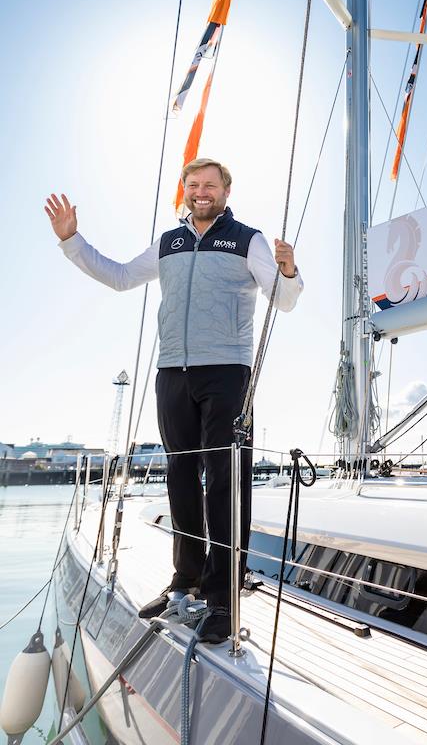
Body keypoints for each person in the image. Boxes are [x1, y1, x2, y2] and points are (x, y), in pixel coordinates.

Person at [45, 158, 303, 644]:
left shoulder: (248, 239)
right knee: (181, 480)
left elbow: (284, 300)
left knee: (225, 483)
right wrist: (71, 241)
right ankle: (185, 582)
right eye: (193, 185)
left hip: (226, 372)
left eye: (210, 184)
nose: (201, 191)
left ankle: (224, 598)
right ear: (184, 191)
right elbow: (120, 276)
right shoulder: (170, 242)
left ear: (226, 190)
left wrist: (288, 270)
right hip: (173, 374)